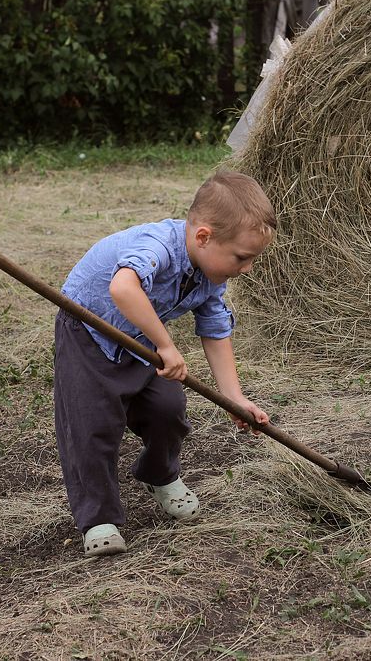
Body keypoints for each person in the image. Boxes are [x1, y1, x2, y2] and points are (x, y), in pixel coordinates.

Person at [54, 170, 274, 557]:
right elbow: (123, 287)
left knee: (168, 408)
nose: (247, 268)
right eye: (242, 257)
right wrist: (166, 345)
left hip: (137, 338)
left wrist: (234, 398)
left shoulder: (209, 273)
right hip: (88, 331)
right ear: (203, 237)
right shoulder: (159, 245)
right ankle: (98, 518)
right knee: (92, 425)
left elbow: (215, 328)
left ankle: (159, 473)